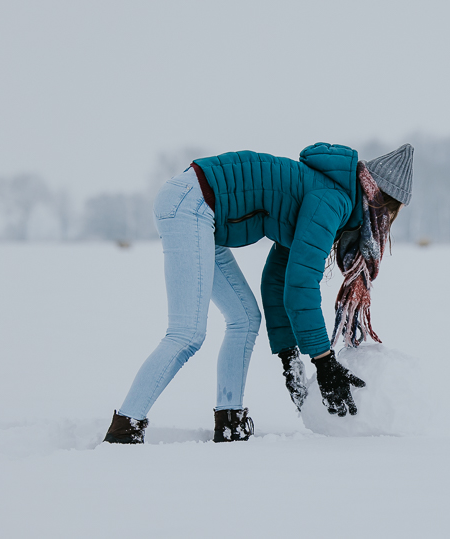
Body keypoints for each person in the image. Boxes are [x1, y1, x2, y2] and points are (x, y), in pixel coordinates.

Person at [102, 142, 413, 444]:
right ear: (379, 202)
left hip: (202, 210)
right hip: (193, 203)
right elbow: (301, 285)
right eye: (388, 216)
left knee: (245, 318)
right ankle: (124, 428)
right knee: (186, 333)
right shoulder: (332, 200)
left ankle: (230, 421)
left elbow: (278, 279)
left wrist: (288, 356)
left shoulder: (325, 194)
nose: (383, 227)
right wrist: (324, 362)